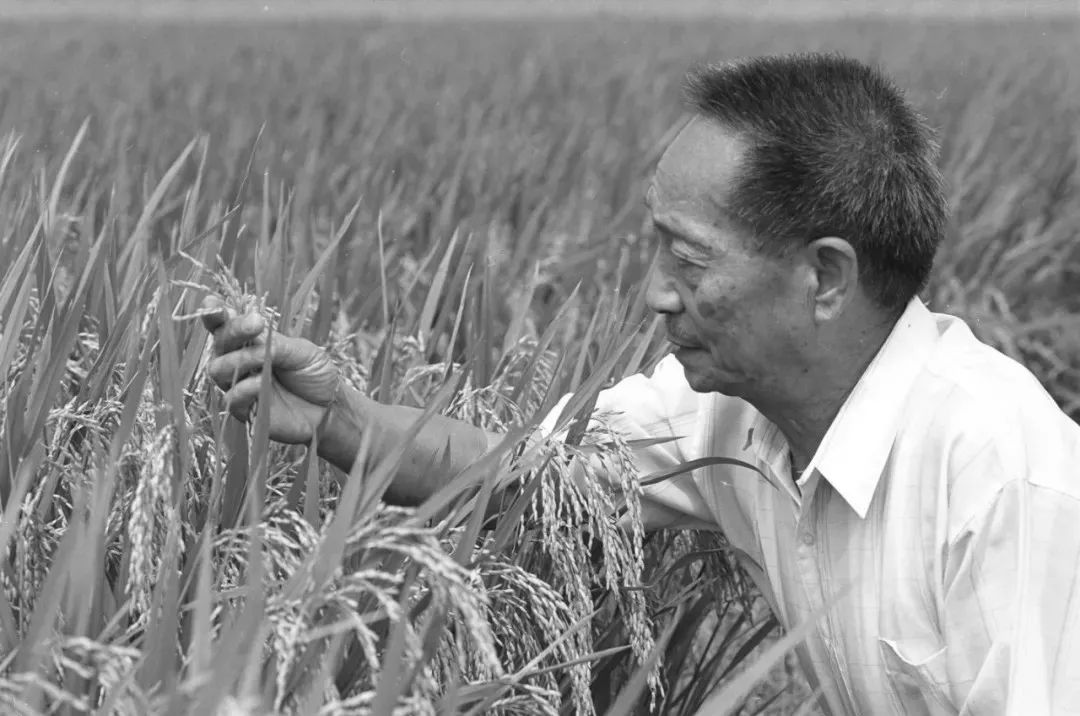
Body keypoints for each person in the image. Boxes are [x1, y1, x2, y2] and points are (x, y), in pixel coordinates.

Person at [201, 53, 1080, 715]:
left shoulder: (1002, 477)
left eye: (689, 259)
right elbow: (524, 474)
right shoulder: (723, 414)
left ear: (824, 277)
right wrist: (341, 417)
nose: (656, 293)